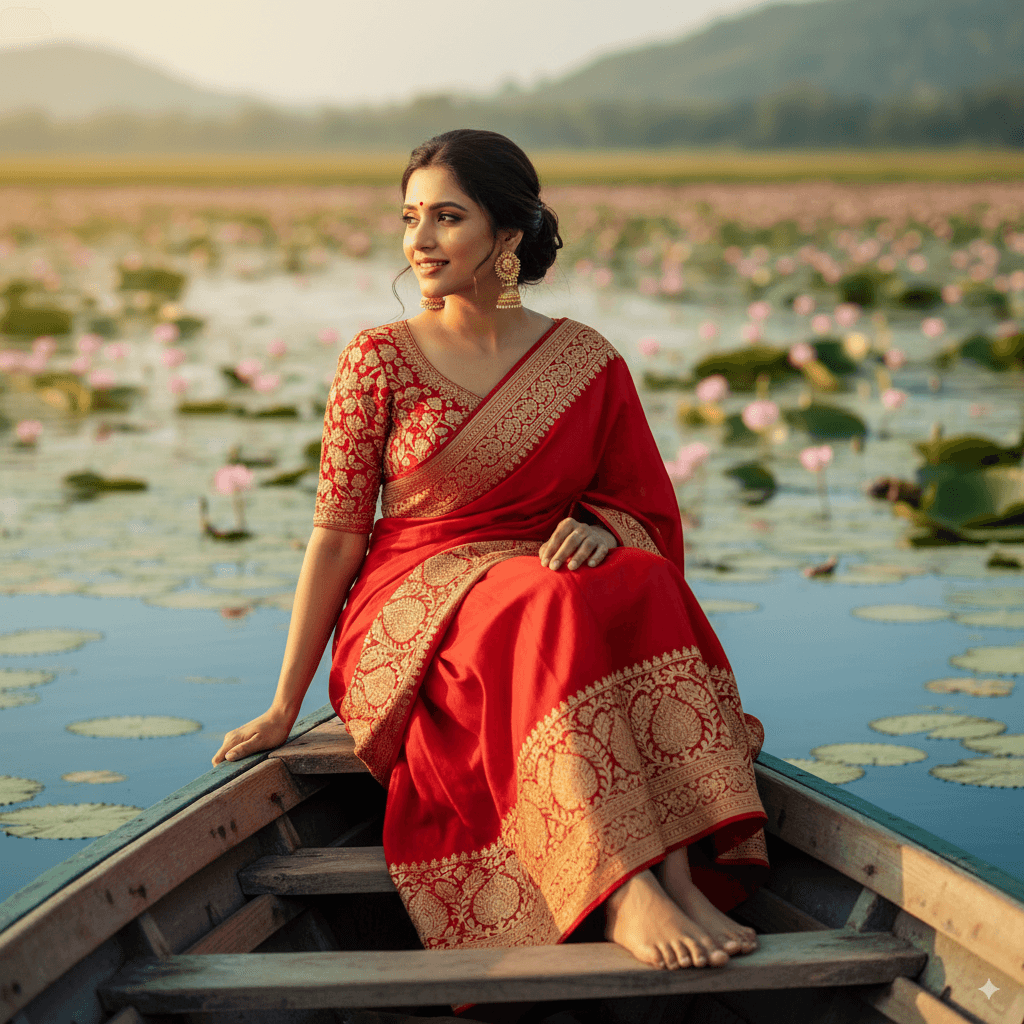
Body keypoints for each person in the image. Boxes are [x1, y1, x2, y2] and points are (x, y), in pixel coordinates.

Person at [214, 129, 768, 974]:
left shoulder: (585, 360)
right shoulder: (378, 360)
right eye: (411, 217)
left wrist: (606, 526)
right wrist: (285, 704)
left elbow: (645, 508)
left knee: (641, 575)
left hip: (536, 578)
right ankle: (622, 888)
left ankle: (679, 871)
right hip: (410, 603)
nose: (420, 240)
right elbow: (336, 534)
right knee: (545, 597)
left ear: (507, 237)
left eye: (447, 217)